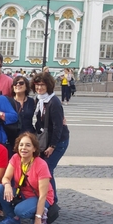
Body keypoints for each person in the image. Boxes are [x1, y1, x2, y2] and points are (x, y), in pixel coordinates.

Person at [0, 133, 55, 224]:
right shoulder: (15, 158)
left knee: (20, 210)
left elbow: (43, 195)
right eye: (21, 145)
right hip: (23, 194)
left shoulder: (41, 165)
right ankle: (13, 219)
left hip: (41, 197)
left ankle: (39, 215)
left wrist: (38, 219)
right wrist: (7, 185)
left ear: (34, 149)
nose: (23, 148)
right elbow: (5, 177)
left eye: (28, 145)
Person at [31, 72, 70, 203]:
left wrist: (52, 146)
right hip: (46, 139)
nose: (39, 88)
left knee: (47, 169)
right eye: (37, 85)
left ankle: (52, 200)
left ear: (48, 85)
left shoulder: (53, 102)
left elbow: (58, 127)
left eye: (42, 85)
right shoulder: (39, 99)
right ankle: (49, 198)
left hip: (58, 141)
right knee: (44, 169)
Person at [8, 76, 35, 157]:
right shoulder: (8, 101)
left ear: (26, 86)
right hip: (13, 137)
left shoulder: (32, 101)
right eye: (15, 83)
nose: (18, 85)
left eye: (21, 83)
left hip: (29, 137)